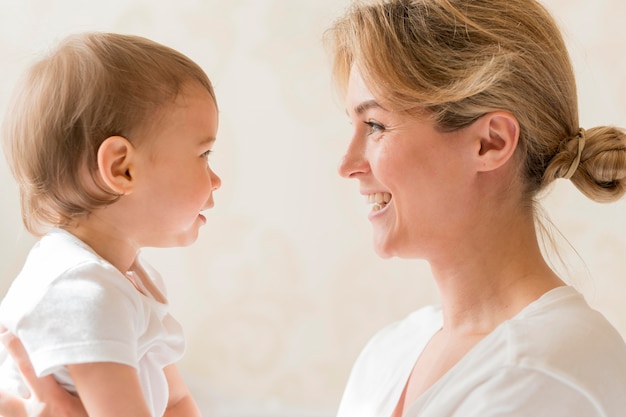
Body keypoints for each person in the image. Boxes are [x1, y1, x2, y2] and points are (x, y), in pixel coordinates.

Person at [324, 0, 626, 416]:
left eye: (375, 125)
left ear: (491, 142)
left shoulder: (548, 376)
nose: (347, 165)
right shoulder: (389, 354)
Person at [0, 32, 221, 417]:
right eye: (203, 153)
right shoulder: (81, 290)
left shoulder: (125, 280)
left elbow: (175, 402)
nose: (215, 178)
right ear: (122, 168)